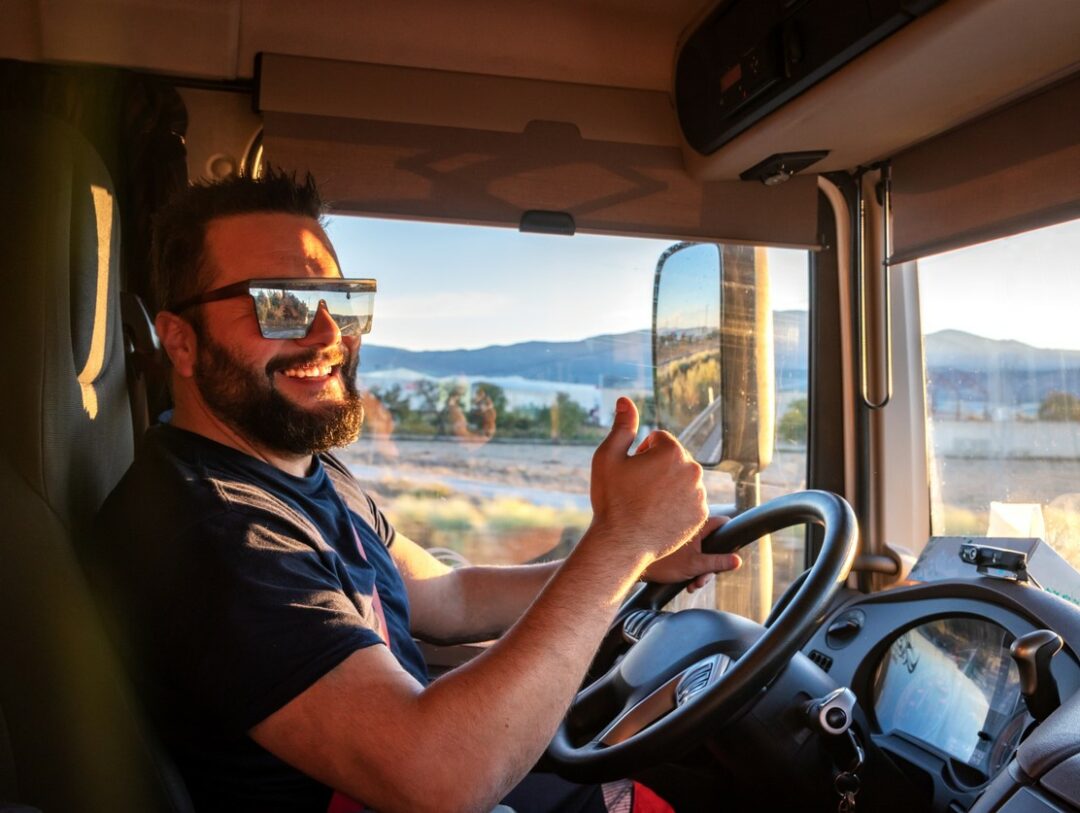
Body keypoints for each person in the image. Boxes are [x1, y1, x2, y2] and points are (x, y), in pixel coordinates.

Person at [89, 169, 740, 813]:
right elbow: (436, 775)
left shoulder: (297, 471)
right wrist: (618, 542)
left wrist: (637, 562)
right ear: (180, 340)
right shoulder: (214, 535)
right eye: (280, 304)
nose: (328, 336)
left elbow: (447, 596)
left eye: (341, 303)